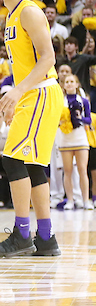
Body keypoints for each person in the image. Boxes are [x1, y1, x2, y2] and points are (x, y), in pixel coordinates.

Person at [0, 0, 65, 257]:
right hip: (33, 94)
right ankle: (46, 238)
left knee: (12, 160)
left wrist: (18, 91)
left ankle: (22, 234)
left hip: (40, 92)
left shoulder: (29, 11)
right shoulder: (11, 15)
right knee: (31, 166)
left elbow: (48, 57)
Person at [59, 73, 92, 210]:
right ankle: (70, 200)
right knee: (67, 171)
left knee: (82, 170)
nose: (69, 84)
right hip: (65, 139)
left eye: (72, 81)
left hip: (80, 138)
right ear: (64, 85)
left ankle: (85, 200)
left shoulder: (83, 101)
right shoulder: (60, 101)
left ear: (77, 84)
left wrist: (79, 120)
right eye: (67, 82)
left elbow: (89, 120)